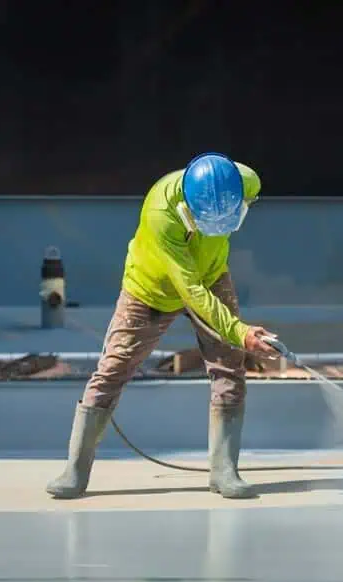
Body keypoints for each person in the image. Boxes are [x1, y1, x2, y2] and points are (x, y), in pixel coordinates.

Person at [46, 152, 279, 500]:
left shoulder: (243, 181)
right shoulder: (162, 216)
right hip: (151, 291)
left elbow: (203, 285)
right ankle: (75, 472)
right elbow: (192, 292)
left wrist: (237, 337)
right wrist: (241, 332)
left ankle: (224, 470)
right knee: (112, 369)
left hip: (211, 276)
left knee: (229, 368)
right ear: (189, 210)